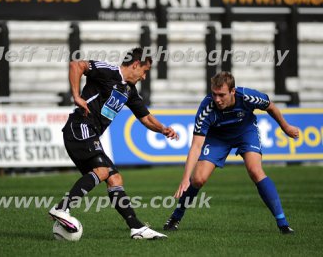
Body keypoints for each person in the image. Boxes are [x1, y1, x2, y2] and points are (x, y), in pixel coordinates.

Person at [49, 47, 179, 239]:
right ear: (135, 65)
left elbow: (146, 118)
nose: (144, 77)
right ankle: (61, 208)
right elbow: (76, 65)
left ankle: (136, 228)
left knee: (114, 179)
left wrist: (162, 129)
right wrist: (76, 96)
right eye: (144, 71)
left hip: (89, 133)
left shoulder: (129, 91)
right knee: (103, 171)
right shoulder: (107, 71)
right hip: (80, 127)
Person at [163, 71, 299, 234]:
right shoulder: (206, 108)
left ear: (233, 91)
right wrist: (186, 178)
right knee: (198, 179)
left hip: (245, 132)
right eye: (214, 94)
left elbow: (270, 106)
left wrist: (286, 127)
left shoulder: (248, 96)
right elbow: (196, 146)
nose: (217, 99)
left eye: (221, 95)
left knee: (256, 171)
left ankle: (283, 223)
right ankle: (175, 217)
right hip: (218, 137)